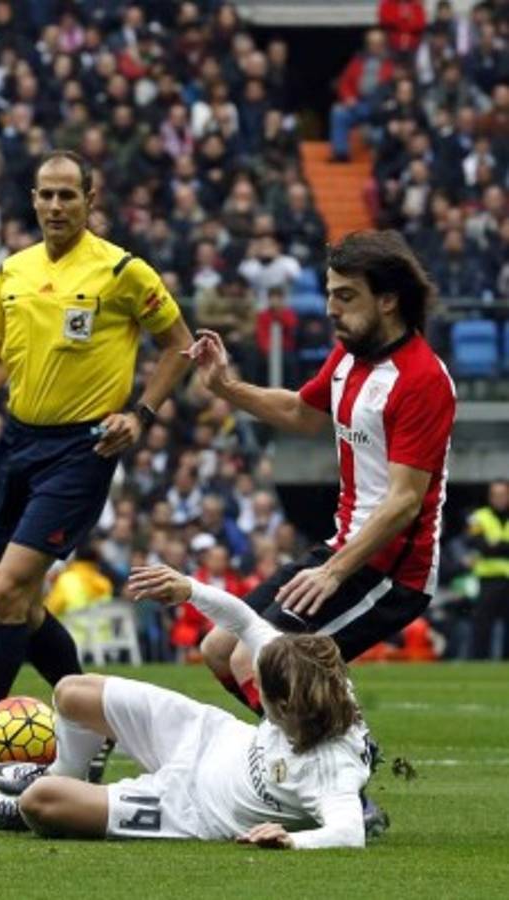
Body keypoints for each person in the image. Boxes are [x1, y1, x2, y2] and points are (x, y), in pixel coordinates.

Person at [0, 150, 192, 797]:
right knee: (21, 605)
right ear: (32, 199)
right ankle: (98, 724)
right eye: (46, 195)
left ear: (90, 199)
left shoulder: (122, 271)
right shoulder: (12, 271)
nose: (56, 206)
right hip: (16, 444)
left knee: (7, 591)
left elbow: (179, 345)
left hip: (82, 449)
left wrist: (140, 414)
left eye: (68, 195)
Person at [186, 231, 455, 718]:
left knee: (258, 659)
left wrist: (334, 571)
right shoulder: (349, 355)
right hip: (342, 549)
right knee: (219, 649)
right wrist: (225, 386)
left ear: (388, 300)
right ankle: (321, 744)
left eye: (346, 296)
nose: (331, 308)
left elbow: (404, 502)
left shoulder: (422, 380)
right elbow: (301, 413)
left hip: (393, 572)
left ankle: (334, 754)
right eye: (331, 294)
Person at [0, 564, 371, 849]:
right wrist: (189, 588)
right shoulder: (302, 669)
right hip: (205, 734)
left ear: (283, 704)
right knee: (72, 692)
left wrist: (290, 839)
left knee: (41, 802)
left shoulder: (331, 765)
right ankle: (63, 772)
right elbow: (245, 622)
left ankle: (36, 799)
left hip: (190, 810)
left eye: (260, 687)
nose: (254, 688)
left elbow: (349, 832)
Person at [466, 480, 509, 659]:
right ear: (490, 497)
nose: (499, 498)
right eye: (495, 495)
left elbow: (488, 546)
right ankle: (479, 661)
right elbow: (477, 544)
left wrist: (494, 545)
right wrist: (503, 546)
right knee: (482, 623)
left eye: (503, 494)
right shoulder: (478, 517)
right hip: (488, 579)